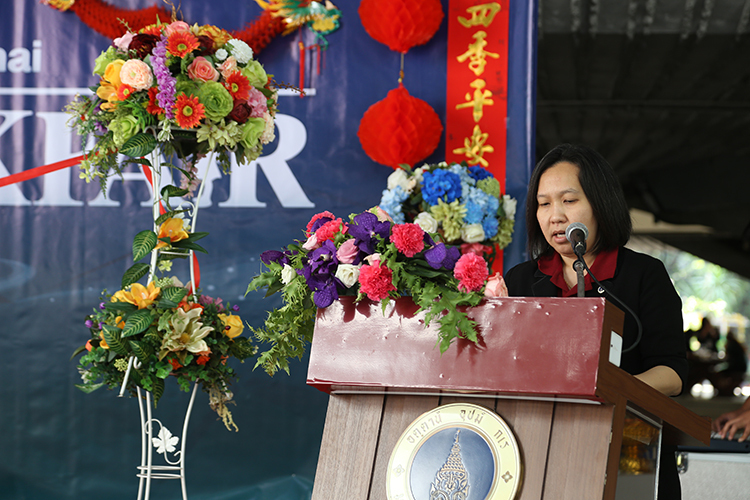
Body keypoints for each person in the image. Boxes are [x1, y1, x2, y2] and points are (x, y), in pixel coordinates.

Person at [504, 144, 688, 499]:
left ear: (600, 203)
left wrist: (608, 394)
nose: (555, 215)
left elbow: (672, 372)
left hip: (630, 446)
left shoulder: (644, 275)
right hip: (541, 448)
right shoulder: (521, 280)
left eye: (568, 200)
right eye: (544, 204)